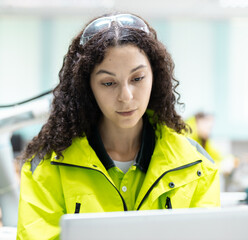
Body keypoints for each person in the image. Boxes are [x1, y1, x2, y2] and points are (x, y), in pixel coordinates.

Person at [16, 13, 220, 239]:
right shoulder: (46, 168)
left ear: (156, 77)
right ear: (87, 87)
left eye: (138, 78)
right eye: (108, 83)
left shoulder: (196, 166)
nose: (126, 96)